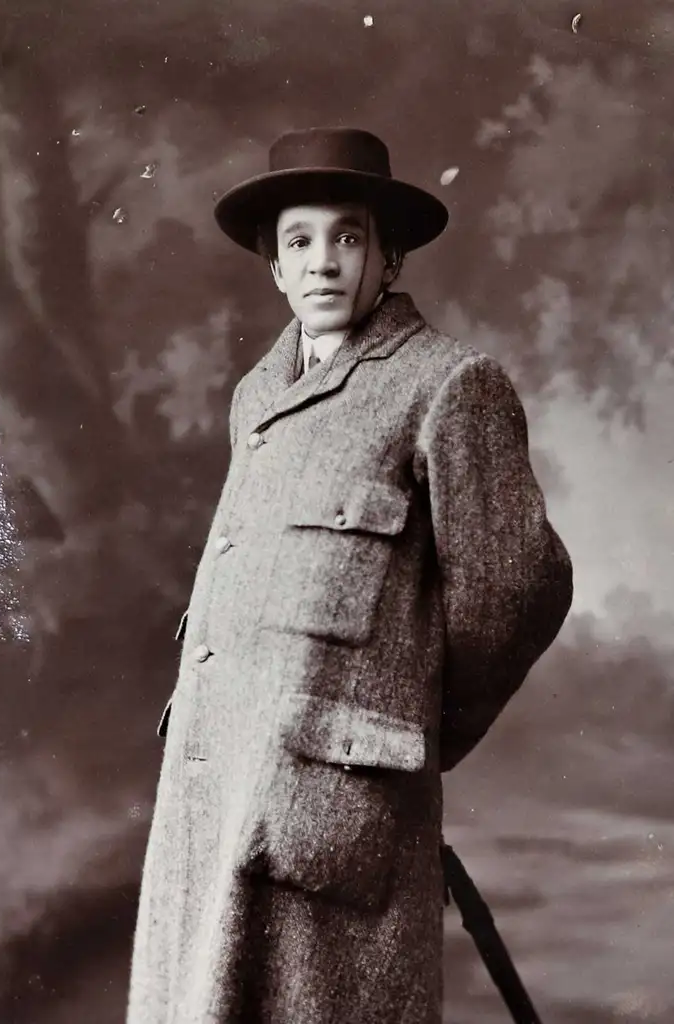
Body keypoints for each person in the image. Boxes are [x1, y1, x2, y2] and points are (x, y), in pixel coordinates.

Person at [126, 126, 573, 1024]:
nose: (323, 262)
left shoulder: (448, 385)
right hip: (214, 798)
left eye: (349, 236)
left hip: (333, 810)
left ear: (390, 255)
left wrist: (401, 730)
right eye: (300, 241)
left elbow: (516, 587)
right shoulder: (257, 396)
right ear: (275, 268)